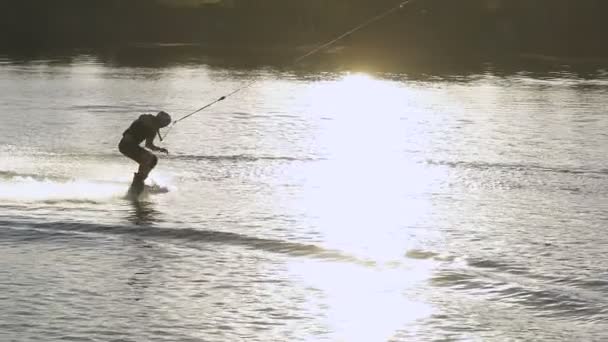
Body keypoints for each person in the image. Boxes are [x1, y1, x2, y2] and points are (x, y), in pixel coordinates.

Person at [118, 111, 171, 195]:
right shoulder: (148, 119)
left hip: (130, 146)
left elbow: (149, 145)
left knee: (152, 160)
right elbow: (142, 117)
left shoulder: (153, 129)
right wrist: (153, 125)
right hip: (126, 145)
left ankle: (139, 181)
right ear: (160, 120)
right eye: (164, 124)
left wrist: (160, 149)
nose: (163, 127)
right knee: (149, 158)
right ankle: (138, 183)